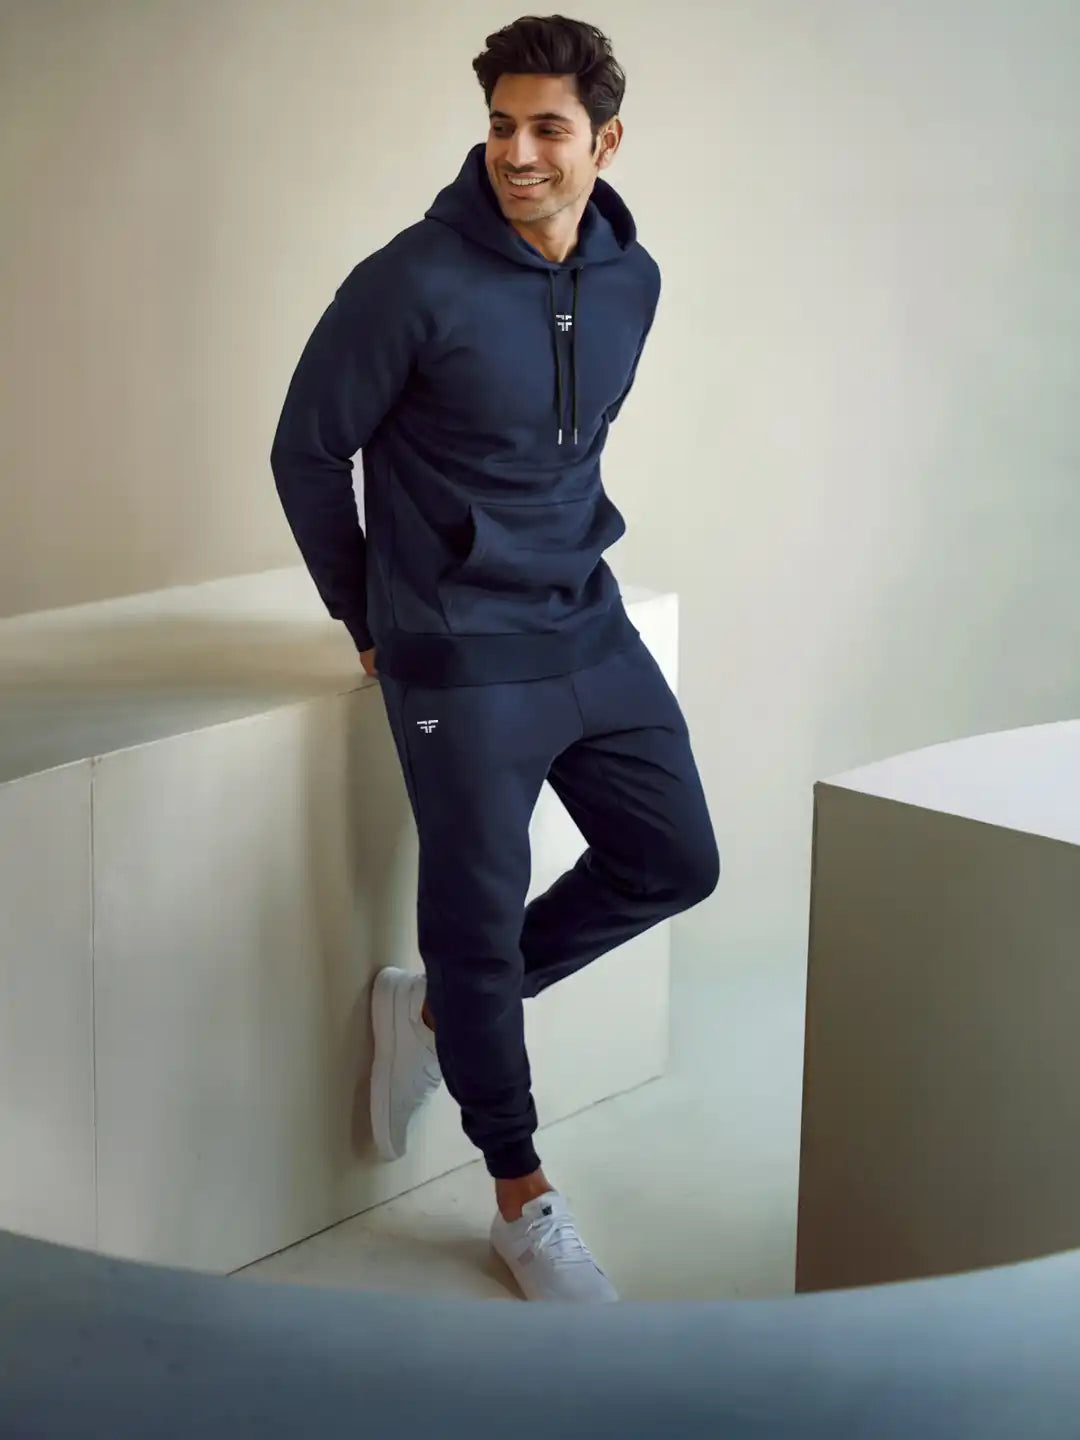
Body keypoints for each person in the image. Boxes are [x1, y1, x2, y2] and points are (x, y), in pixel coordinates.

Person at [270, 14, 719, 1303]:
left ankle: (435, 1013)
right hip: (455, 651)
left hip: (584, 619)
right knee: (474, 923)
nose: (518, 153)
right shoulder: (408, 280)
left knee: (675, 861)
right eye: (501, 125)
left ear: (606, 142)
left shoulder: (633, 279)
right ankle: (522, 1196)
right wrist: (367, 614)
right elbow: (307, 449)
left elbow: (568, 446)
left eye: (549, 129)